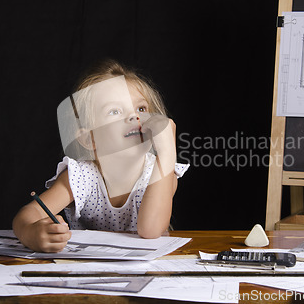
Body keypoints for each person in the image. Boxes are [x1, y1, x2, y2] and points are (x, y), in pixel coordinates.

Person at [12, 60, 188, 252]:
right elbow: (28, 215)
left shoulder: (162, 171)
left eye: (141, 109)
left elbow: (150, 230)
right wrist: (31, 234)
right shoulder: (82, 176)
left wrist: (167, 150)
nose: (134, 117)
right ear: (89, 139)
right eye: (115, 111)